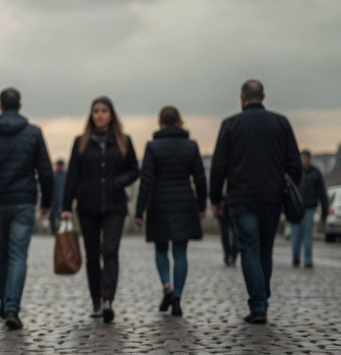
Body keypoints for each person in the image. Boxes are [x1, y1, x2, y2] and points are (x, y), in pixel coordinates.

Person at [209, 79, 302, 325]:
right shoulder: (281, 123)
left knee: (248, 248)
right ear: (263, 96)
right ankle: (262, 300)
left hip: (241, 197)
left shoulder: (230, 125)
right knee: (265, 249)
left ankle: (258, 304)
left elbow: (218, 166)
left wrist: (216, 198)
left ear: (242, 98)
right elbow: (294, 164)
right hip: (272, 198)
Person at [0, 87, 53, 331]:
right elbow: (45, 172)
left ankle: (4, 300)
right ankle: (11, 305)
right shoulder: (34, 133)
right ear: (19, 106)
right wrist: (47, 203)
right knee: (18, 255)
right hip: (24, 201)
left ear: (0, 107)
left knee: (1, 254)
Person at [60, 96, 139, 323]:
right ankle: (96, 299)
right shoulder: (81, 142)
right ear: (91, 115)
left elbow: (134, 170)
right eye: (96, 111)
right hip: (88, 205)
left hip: (115, 205)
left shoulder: (124, 140)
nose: (100, 115)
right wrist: (66, 206)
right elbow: (72, 175)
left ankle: (108, 300)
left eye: (104, 110)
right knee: (92, 256)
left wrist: (117, 182)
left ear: (111, 114)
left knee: (111, 251)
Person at [134, 106, 208, 317]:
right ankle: (177, 297)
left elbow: (146, 181)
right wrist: (201, 206)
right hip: (185, 201)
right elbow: (200, 179)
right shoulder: (191, 146)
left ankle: (167, 286)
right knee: (180, 252)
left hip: (159, 202)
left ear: (160, 122)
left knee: (160, 249)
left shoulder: (153, 146)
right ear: (179, 121)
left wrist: (140, 210)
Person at [290, 150, 329, 268]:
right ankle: (295, 258)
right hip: (295, 208)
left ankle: (308, 260)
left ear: (309, 159)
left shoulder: (315, 173)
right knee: (296, 234)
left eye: (306, 158)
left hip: (309, 208)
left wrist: (324, 209)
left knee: (307, 234)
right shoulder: (295, 172)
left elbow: (322, 192)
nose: (304, 160)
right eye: (302, 158)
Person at [51, 159, 67, 231]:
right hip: (54, 200)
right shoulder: (53, 175)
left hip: (63, 200)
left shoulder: (66, 176)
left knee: (62, 217)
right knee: (54, 216)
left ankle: (62, 231)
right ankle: (54, 230)